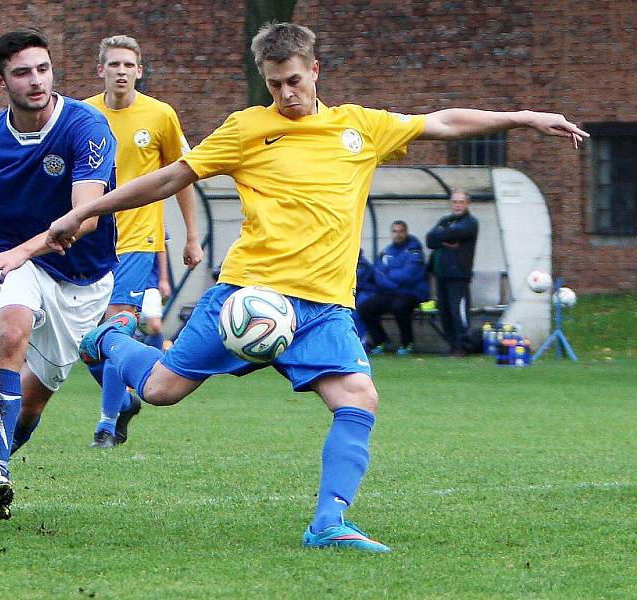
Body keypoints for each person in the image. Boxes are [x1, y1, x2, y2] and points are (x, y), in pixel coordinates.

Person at [39, 23, 584, 552]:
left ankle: (329, 523)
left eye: (295, 80)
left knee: (358, 398)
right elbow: (169, 177)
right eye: (274, 84)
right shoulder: (247, 128)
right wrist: (87, 210)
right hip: (246, 296)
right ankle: (108, 338)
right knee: (160, 391)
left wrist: (527, 117)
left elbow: (441, 122)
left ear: (315, 69)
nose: (286, 93)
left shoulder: (360, 127)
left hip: (324, 307)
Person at [0, 27, 118, 521]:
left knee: (34, 403)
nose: (36, 81)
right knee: (11, 332)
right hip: (13, 256)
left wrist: (19, 252)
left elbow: (84, 219)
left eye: (43, 69)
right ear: (1, 83)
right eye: (22, 73)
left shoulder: (87, 127)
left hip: (81, 275)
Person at [82, 35, 203, 449]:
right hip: (90, 240)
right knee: (87, 339)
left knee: (117, 327)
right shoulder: (81, 115)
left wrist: (191, 235)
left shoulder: (160, 115)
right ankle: (128, 394)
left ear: (139, 70)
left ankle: (105, 423)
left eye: (128, 65)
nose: (121, 71)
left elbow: (183, 175)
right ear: (100, 70)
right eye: (113, 64)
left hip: (138, 238)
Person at [358, 220, 429, 356]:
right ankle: (381, 341)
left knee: (400, 306)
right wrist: (393, 281)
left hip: (413, 292)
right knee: (366, 306)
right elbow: (378, 274)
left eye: (401, 231)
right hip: (392, 291)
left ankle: (407, 343)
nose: (398, 235)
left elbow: (408, 274)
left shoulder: (414, 250)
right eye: (395, 231)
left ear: (406, 232)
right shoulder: (386, 252)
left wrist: (390, 272)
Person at [426, 190, 479, 356]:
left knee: (458, 311)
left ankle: (463, 346)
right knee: (445, 312)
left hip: (459, 275)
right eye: (455, 202)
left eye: (461, 202)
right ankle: (452, 345)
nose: (457, 205)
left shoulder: (470, 222)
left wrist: (443, 236)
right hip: (441, 274)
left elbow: (454, 233)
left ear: (467, 204)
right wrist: (445, 239)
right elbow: (430, 239)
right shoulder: (445, 220)